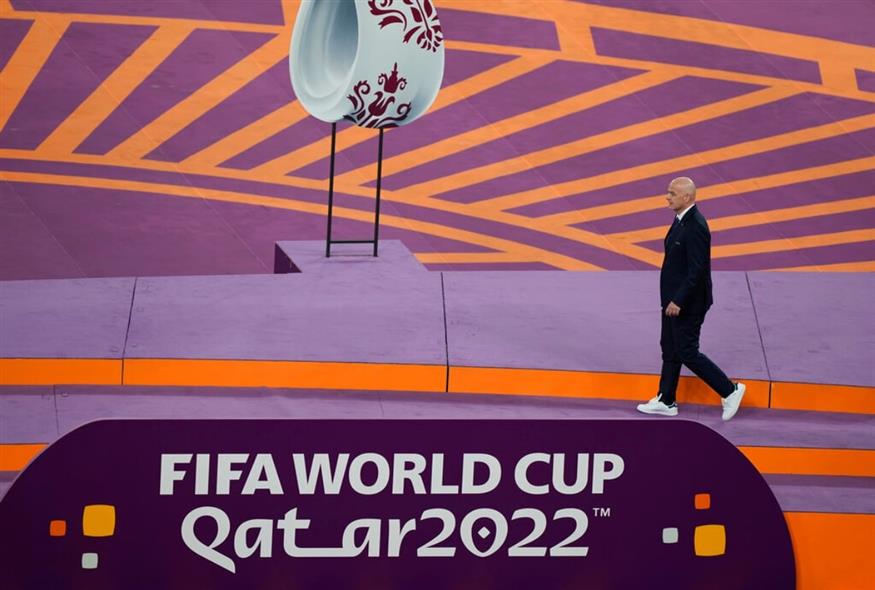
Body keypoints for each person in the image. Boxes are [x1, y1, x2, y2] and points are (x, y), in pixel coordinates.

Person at [636, 177, 746, 420]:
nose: (667, 197)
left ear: (686, 197)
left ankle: (730, 390)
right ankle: (666, 399)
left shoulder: (696, 226)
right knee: (670, 347)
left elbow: (697, 270)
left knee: (686, 351)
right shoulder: (680, 220)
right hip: (672, 300)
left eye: (672, 193)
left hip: (687, 303)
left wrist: (679, 300)